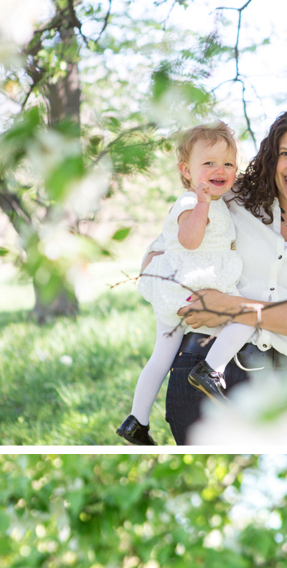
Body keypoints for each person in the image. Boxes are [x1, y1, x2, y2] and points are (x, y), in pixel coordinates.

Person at [158, 108, 287, 443]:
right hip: (205, 364)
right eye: (285, 154)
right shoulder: (233, 198)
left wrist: (231, 306)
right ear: (272, 157)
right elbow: (164, 250)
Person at [116, 122, 257, 446]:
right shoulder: (191, 203)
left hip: (175, 291)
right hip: (193, 285)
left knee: (161, 356)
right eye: (208, 163)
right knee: (247, 317)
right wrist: (203, 204)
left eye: (228, 164)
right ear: (186, 170)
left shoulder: (214, 201)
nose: (219, 170)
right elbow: (189, 240)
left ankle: (137, 421)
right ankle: (211, 369)